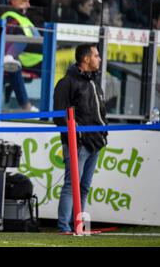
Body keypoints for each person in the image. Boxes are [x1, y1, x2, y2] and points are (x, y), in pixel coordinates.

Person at [54, 44, 108, 233]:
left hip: (95, 143)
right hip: (78, 144)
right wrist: (76, 133)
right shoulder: (66, 82)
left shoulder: (93, 82)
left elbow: (100, 112)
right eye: (96, 55)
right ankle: (64, 227)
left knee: (83, 187)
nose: (99, 59)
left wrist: (102, 134)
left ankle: (77, 225)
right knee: (72, 186)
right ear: (86, 59)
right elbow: (59, 114)